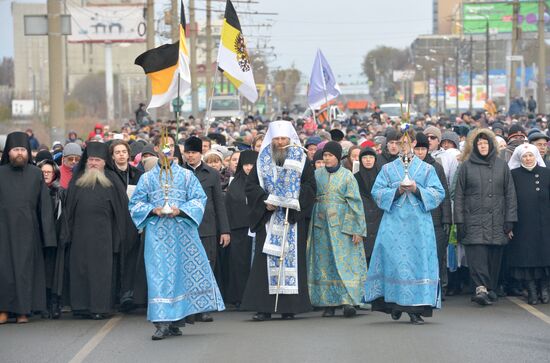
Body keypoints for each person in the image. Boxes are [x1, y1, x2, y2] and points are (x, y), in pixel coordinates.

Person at [129, 132, 224, 340]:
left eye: (170, 146)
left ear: (174, 149)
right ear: (156, 148)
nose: (167, 149)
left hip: (183, 233)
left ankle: (176, 322)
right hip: (157, 235)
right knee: (159, 277)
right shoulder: (146, 178)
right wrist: (152, 210)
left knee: (181, 277)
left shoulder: (187, 176)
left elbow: (200, 199)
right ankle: (161, 323)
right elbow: (134, 204)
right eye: (163, 146)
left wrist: (180, 210)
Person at [363, 126, 445, 325]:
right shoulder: (388, 169)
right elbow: (377, 192)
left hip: (419, 225)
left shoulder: (427, 169)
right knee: (395, 263)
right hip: (394, 223)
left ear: (415, 143)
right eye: (400, 143)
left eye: (407, 142)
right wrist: (397, 190)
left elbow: (438, 193)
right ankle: (394, 304)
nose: (404, 146)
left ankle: (416, 309)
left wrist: (417, 189)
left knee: (418, 265)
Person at [241, 120, 316, 321]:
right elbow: (251, 187)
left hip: (291, 220)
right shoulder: (261, 160)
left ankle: (289, 307)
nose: (281, 142)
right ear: (271, 140)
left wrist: (294, 200)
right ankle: (263, 307)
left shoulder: (301, 158)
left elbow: (310, 186)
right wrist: (265, 202)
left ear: (290, 139)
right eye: (277, 139)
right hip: (268, 218)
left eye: (284, 138)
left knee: (292, 261)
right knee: (264, 263)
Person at [62, 142, 131, 319]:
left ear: (104, 162)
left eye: (97, 160)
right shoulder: (77, 181)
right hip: (79, 237)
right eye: (91, 160)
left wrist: (117, 239)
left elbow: (121, 214)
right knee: (80, 270)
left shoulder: (113, 180)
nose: (93, 163)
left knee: (101, 274)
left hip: (105, 238)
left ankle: (100, 308)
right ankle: (81, 306)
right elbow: (68, 212)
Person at [454, 129, 517, 306]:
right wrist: (459, 221)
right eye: (480, 143)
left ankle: (490, 287)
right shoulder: (466, 166)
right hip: (473, 220)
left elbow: (510, 194)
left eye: (486, 143)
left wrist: (510, 219)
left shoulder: (501, 166)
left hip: (497, 220)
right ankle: (480, 288)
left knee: (493, 258)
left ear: (491, 146)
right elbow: (459, 195)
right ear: (475, 146)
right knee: (477, 257)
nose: (483, 146)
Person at [0, 132, 57, 324]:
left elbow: (44, 206)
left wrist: (48, 237)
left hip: (28, 232)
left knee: (25, 271)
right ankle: (4, 310)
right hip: (3, 231)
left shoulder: (35, 174)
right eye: (15, 150)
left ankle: (24, 311)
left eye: (22, 150)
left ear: (28, 153)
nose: (19, 154)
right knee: (4, 271)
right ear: (8, 152)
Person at [307, 141, 367, 318]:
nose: (326, 158)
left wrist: (357, 229)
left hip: (343, 226)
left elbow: (355, 203)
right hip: (320, 225)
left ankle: (348, 301)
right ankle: (328, 302)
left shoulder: (347, 176)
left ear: (338, 157)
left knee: (345, 263)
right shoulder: (316, 174)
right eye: (324, 155)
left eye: (330, 155)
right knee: (324, 263)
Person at [183, 136, 230, 322]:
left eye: (193, 152)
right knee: (187, 268)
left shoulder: (211, 173)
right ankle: (188, 308)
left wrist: (224, 230)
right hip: (186, 227)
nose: (190, 156)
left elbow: (219, 203)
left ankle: (204, 307)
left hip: (208, 228)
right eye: (187, 153)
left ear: (200, 153)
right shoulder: (179, 173)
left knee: (207, 267)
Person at [507, 144, 549, 305]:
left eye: (531, 155)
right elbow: (509, 201)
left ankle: (544, 289)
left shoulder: (547, 173)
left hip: (545, 224)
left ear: (536, 156)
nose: (528, 158)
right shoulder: (513, 175)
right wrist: (509, 224)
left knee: (545, 257)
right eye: (524, 156)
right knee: (527, 260)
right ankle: (531, 291)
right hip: (523, 225)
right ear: (519, 158)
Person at [413, 133, 452, 295]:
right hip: (415, 219)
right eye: (417, 149)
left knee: (437, 255)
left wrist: (447, 219)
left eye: (423, 149)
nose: (420, 152)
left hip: (435, 218)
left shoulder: (435, 167)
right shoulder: (409, 167)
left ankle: (439, 287)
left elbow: (444, 194)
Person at [225, 150, 258, 307]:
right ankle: (240, 298)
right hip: (239, 230)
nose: (249, 168)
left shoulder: (262, 181)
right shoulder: (235, 184)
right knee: (240, 264)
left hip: (257, 228)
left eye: (252, 164)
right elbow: (229, 207)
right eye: (246, 164)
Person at [37, 158, 66, 319]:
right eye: (43, 172)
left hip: (55, 237)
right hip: (36, 237)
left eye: (49, 172)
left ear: (55, 174)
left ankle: (53, 303)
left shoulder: (60, 192)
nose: (46, 175)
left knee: (53, 272)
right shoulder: (32, 190)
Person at [354, 147, 383, 265]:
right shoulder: (355, 178)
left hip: (379, 221)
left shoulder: (382, 177)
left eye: (371, 157)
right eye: (365, 157)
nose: (368, 160)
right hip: (363, 223)